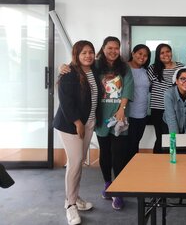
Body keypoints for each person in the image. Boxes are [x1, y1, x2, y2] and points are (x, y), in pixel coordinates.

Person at [53, 41, 100, 225]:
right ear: (76, 55)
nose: (88, 56)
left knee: (79, 162)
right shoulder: (69, 73)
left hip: (89, 123)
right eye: (84, 53)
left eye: (91, 52)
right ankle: (70, 205)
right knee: (74, 163)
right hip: (71, 124)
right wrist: (77, 122)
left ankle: (74, 196)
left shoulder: (94, 71)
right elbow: (66, 101)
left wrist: (87, 122)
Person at [95, 36, 133, 210]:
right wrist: (62, 67)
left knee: (118, 154)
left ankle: (118, 190)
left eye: (116, 48)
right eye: (110, 48)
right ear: (103, 49)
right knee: (105, 153)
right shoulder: (95, 66)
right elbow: (79, 72)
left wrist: (121, 109)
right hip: (100, 116)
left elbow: (127, 88)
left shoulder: (124, 67)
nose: (113, 51)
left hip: (119, 118)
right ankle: (107, 183)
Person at [147, 43, 184, 153]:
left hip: (175, 108)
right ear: (158, 55)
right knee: (160, 137)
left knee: (173, 136)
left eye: (167, 51)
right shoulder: (152, 69)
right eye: (162, 53)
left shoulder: (180, 67)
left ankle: (172, 159)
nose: (165, 54)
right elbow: (147, 87)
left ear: (171, 52)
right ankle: (158, 163)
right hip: (158, 109)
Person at [127, 44, 151, 160]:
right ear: (133, 53)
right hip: (128, 114)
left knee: (135, 144)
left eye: (145, 55)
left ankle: (132, 171)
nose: (142, 57)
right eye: (140, 53)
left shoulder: (145, 71)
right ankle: (125, 173)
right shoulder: (124, 68)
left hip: (142, 114)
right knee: (128, 146)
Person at [163, 68, 186, 134]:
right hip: (170, 125)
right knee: (173, 143)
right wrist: (175, 140)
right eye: (182, 79)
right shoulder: (169, 94)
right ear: (176, 81)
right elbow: (171, 119)